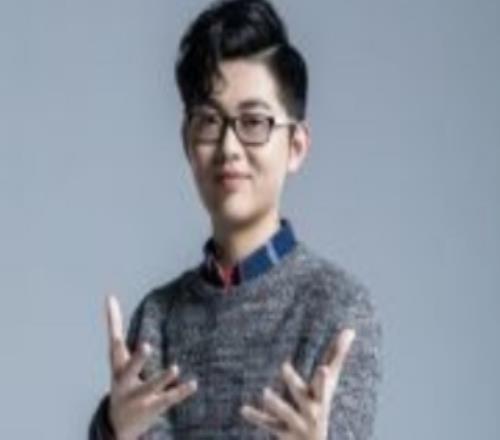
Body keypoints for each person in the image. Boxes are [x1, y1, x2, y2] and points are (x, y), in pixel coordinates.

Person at [88, 0, 383, 438]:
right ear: (187, 143)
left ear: (296, 146)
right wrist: (114, 429)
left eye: (253, 122)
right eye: (209, 121)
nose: (229, 147)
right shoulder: (157, 318)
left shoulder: (338, 309)